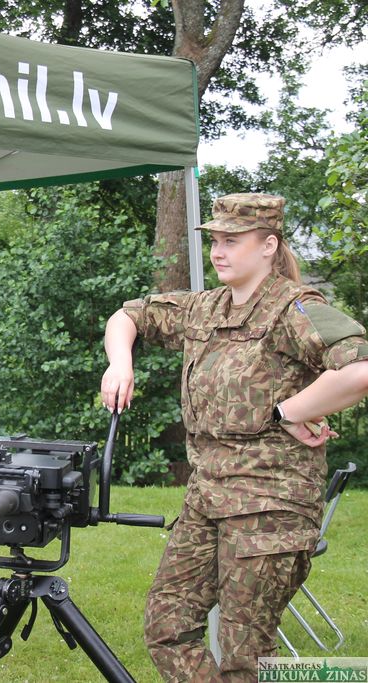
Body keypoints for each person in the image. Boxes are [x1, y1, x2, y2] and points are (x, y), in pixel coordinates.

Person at [101, 193, 368, 681]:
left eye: (232, 241)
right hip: (206, 499)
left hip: (270, 506)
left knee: (245, 654)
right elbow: (127, 316)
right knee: (167, 628)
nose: (218, 252)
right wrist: (120, 364)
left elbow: (359, 369)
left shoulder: (296, 308)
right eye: (215, 241)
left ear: (268, 245)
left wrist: (290, 411)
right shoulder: (204, 308)